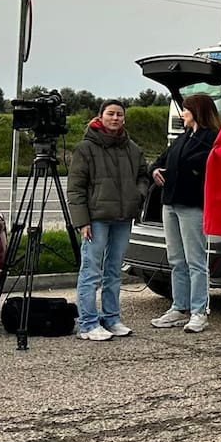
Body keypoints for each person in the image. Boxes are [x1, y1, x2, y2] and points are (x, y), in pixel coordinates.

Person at [67, 100, 150, 341]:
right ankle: (88, 323)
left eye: (119, 114)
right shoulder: (86, 149)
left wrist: (138, 196)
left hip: (123, 219)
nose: (115, 118)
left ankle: (111, 318)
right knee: (91, 271)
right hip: (96, 219)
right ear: (101, 116)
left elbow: (143, 175)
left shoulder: (132, 148)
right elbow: (76, 188)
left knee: (113, 271)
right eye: (110, 114)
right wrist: (82, 221)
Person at [148, 93, 221, 333]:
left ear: (197, 112)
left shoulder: (212, 138)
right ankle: (179, 307)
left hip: (192, 205)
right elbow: (161, 160)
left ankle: (199, 311)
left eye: (186, 110)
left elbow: (205, 167)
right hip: (170, 204)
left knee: (195, 261)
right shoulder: (182, 138)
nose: (182, 114)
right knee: (176, 259)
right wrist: (155, 169)